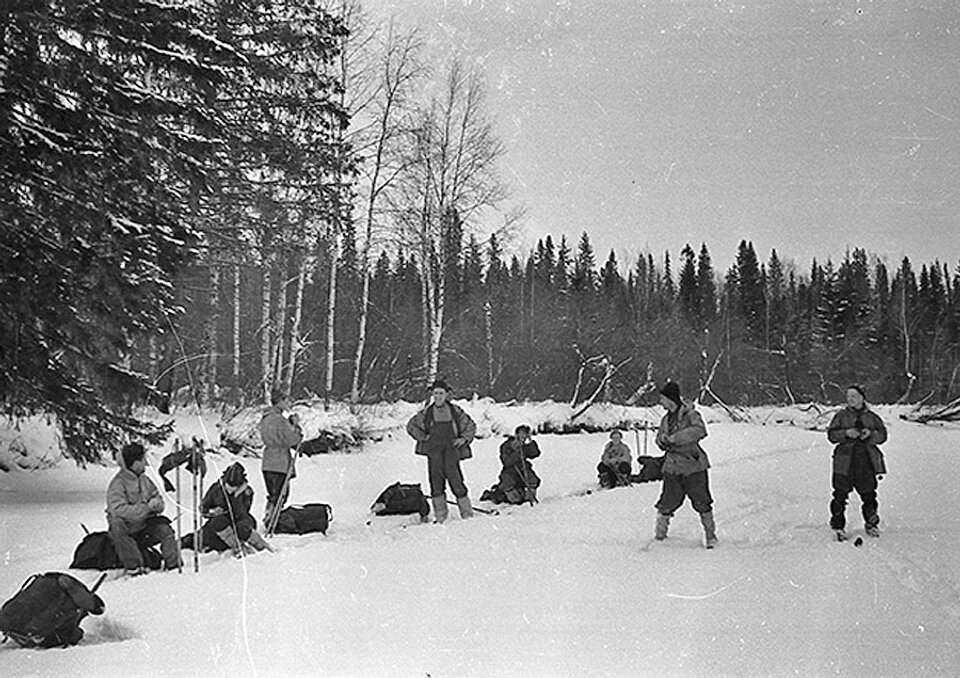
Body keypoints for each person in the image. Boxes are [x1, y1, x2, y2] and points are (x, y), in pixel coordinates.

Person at [652, 381, 718, 549]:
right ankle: (659, 536)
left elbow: (700, 430)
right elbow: (659, 437)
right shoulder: (665, 419)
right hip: (672, 467)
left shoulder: (691, 414)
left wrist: (674, 439)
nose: (660, 402)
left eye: (662, 399)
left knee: (702, 501)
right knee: (667, 502)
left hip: (693, 466)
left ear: (670, 399)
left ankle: (711, 536)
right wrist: (662, 441)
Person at [406, 379, 477, 522]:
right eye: (435, 393)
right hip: (434, 452)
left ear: (446, 395)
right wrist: (423, 437)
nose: (438, 396)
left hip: (452, 451)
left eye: (441, 393)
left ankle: (467, 514)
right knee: (436, 483)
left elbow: (470, 426)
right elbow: (411, 426)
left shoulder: (455, 411)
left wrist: (463, 439)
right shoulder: (426, 413)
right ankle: (441, 516)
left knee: (456, 480)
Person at [106, 442, 180, 574]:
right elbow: (118, 510)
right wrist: (146, 508)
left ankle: (174, 565)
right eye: (143, 460)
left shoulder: (145, 480)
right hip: (127, 530)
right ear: (135, 463)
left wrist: (157, 505)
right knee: (117, 524)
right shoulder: (117, 484)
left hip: (144, 526)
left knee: (165, 529)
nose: (146, 463)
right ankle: (134, 568)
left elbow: (159, 501)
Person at [826, 384, 888, 540]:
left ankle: (871, 524)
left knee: (869, 494)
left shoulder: (872, 417)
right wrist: (846, 433)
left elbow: (882, 435)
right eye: (848, 396)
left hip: (866, 462)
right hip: (844, 462)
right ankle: (838, 527)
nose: (850, 399)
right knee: (840, 495)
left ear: (862, 397)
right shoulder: (841, 416)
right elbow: (831, 435)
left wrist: (870, 434)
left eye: (853, 396)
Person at [200, 462, 273, 556]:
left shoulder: (247, 492)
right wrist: (213, 511)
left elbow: (242, 513)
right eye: (228, 486)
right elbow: (203, 509)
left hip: (241, 522)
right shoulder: (216, 489)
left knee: (242, 528)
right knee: (216, 524)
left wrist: (236, 497)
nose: (230, 489)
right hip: (219, 525)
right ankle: (238, 548)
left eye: (234, 487)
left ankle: (262, 547)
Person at [259, 390, 303, 526]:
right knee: (280, 494)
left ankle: (270, 516)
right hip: (280, 462)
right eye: (285, 401)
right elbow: (292, 439)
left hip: (267, 461)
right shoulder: (279, 419)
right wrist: (295, 426)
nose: (287, 403)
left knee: (272, 494)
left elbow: (277, 434)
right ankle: (273, 521)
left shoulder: (266, 418)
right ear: (279, 402)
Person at [497, 425, 541, 504]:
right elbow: (507, 462)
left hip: (523, 468)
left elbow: (535, 453)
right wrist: (517, 451)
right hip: (510, 471)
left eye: (525, 434)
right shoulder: (507, 445)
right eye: (522, 434)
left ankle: (526, 495)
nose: (523, 437)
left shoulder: (525, 446)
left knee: (533, 480)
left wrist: (531, 443)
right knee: (513, 495)